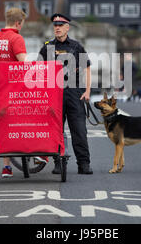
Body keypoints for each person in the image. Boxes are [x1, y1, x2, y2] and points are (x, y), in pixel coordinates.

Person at [38, 13, 93, 175]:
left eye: (60, 25)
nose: (57, 28)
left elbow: (87, 68)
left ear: (67, 27)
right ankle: (58, 163)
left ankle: (84, 164)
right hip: (54, 93)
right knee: (56, 130)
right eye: (55, 25)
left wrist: (88, 91)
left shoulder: (77, 46)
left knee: (79, 130)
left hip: (74, 92)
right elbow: (39, 72)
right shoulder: (46, 47)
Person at [0, 8, 28, 179]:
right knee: (23, 120)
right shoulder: (16, 38)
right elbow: (24, 63)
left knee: (1, 125)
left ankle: (6, 167)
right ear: (18, 23)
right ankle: (35, 150)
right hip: (15, 92)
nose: (21, 27)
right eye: (22, 24)